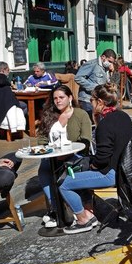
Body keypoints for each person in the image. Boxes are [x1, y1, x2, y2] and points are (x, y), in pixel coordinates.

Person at [59, 83, 132, 234]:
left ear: (100, 102)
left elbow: (102, 158)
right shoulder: (123, 116)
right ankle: (89, 212)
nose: (90, 103)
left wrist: (93, 166)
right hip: (127, 169)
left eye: (92, 101)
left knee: (65, 184)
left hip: (111, 174)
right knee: (82, 170)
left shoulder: (105, 124)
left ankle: (82, 220)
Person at [37, 85, 92, 227]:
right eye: (55, 98)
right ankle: (57, 209)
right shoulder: (49, 115)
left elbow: (86, 140)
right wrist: (51, 150)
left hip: (76, 154)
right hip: (54, 156)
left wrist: (69, 152)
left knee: (67, 168)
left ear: (70, 98)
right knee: (44, 169)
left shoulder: (80, 114)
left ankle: (74, 207)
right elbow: (42, 140)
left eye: (61, 97)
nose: (58, 101)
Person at [75, 49, 117, 120]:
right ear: (103, 57)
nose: (110, 64)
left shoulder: (106, 68)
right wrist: (95, 88)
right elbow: (78, 77)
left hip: (99, 100)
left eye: (112, 62)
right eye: (109, 61)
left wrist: (111, 72)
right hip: (87, 99)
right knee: (90, 122)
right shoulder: (92, 64)